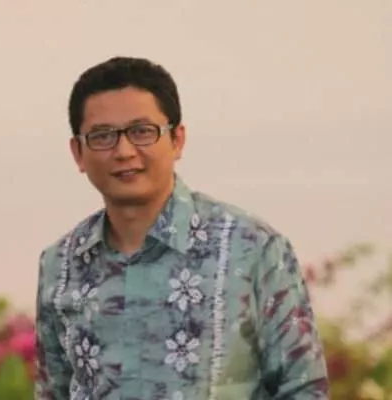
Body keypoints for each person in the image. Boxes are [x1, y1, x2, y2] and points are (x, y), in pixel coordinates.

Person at [34, 57, 329, 399]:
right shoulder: (61, 264)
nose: (124, 151)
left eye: (142, 131)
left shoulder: (251, 248)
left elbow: (304, 388)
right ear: (78, 153)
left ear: (177, 139)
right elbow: (52, 392)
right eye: (102, 136)